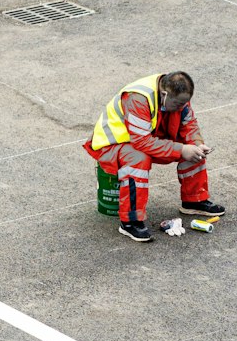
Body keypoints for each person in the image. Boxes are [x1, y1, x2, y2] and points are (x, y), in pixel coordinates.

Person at [83, 71, 225, 242]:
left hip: (146, 137)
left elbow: (189, 124)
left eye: (185, 103)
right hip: (112, 144)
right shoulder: (138, 98)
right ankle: (130, 222)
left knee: (194, 150)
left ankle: (194, 201)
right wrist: (181, 150)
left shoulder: (175, 95)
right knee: (138, 158)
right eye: (179, 104)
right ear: (165, 95)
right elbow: (141, 142)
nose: (183, 107)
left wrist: (196, 143)